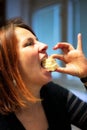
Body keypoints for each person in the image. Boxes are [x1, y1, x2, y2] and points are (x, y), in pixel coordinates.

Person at [0, 17, 87, 130]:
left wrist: (85, 75)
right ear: (9, 65)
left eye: (37, 40)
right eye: (29, 43)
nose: (44, 45)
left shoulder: (55, 94)